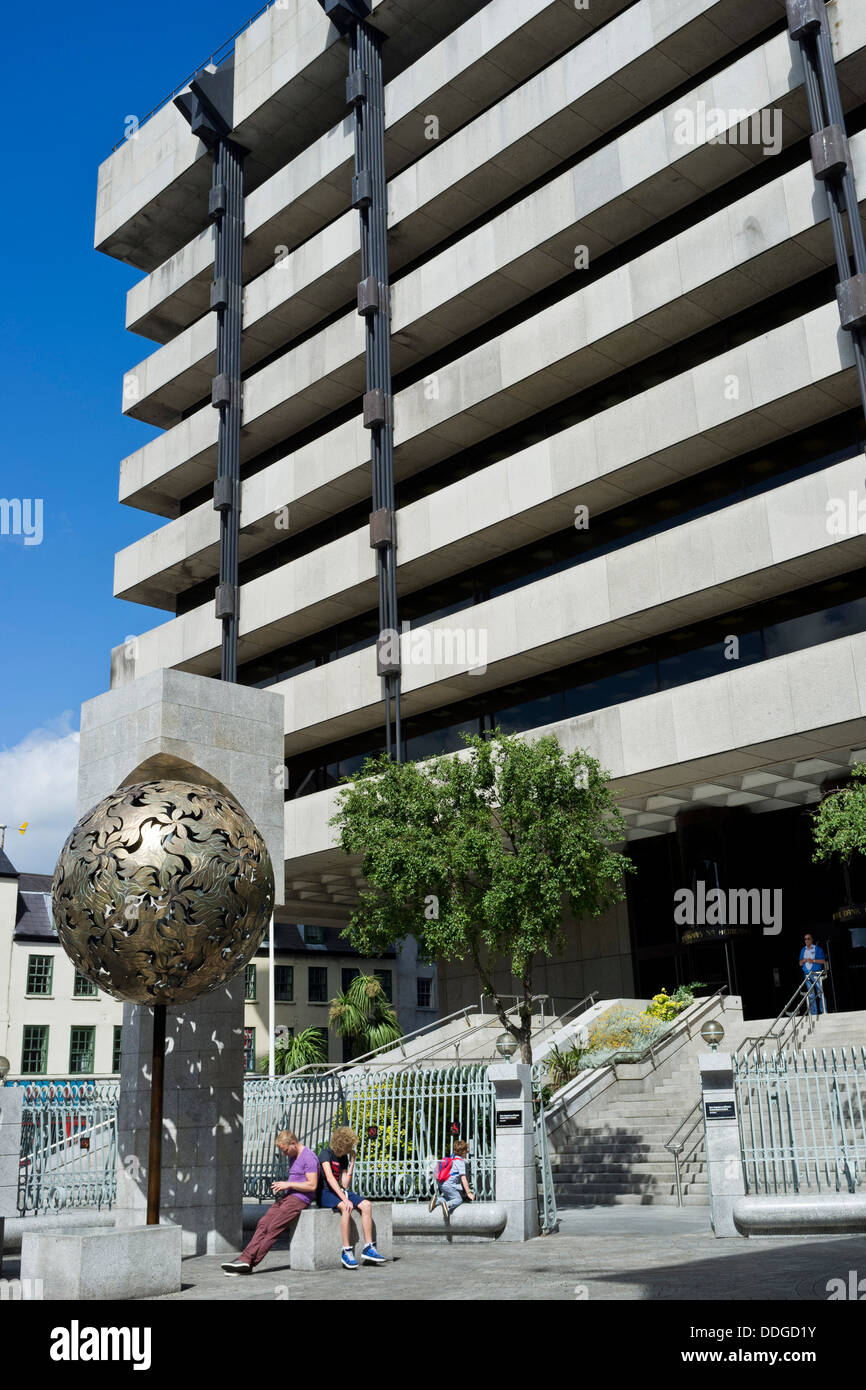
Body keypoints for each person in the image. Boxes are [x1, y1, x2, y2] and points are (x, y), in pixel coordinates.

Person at [221, 1130, 319, 1275]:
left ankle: (248, 1262)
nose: (284, 1154)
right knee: (263, 1223)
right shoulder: (293, 1155)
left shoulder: (309, 1157)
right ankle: (244, 1259)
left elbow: (312, 1185)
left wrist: (288, 1184)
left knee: (273, 1228)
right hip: (288, 1197)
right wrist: (286, 1186)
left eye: (285, 1150)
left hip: (300, 1199)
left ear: (293, 1143)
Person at [318, 1126, 385, 1268]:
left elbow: (345, 1184)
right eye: (349, 1146)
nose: (350, 1149)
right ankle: (346, 1251)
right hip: (325, 1192)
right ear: (342, 1143)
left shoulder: (343, 1158)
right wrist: (344, 1198)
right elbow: (330, 1179)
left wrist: (352, 1163)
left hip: (339, 1190)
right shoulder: (325, 1154)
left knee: (367, 1205)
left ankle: (368, 1247)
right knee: (345, 1207)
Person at [428, 1138, 475, 1218]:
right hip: (450, 1185)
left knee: (449, 1197)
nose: (467, 1152)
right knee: (458, 1199)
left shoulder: (452, 1159)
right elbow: (463, 1178)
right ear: (463, 1152)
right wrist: (469, 1193)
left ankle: (437, 1200)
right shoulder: (460, 1162)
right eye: (466, 1150)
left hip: (442, 1184)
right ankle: (447, 1205)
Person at [799, 933, 829, 1015]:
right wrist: (804, 960)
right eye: (805, 939)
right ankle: (813, 1013)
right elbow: (800, 963)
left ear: (812, 940)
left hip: (816, 974)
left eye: (808, 938)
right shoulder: (803, 950)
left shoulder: (817, 949)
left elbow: (823, 961)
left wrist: (813, 960)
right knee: (811, 995)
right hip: (807, 975)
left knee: (820, 993)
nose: (807, 940)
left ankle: (824, 1011)